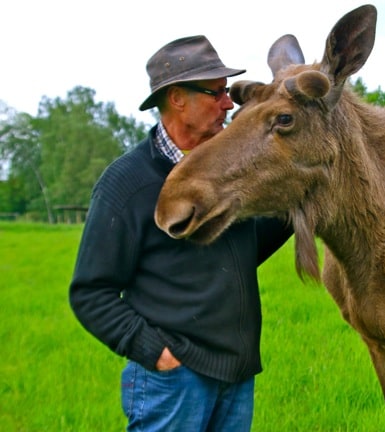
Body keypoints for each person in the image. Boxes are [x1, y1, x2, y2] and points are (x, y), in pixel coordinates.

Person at [69, 35, 292, 431]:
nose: (229, 103)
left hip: (237, 375)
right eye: (217, 93)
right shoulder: (127, 183)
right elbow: (90, 293)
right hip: (174, 379)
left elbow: (240, 252)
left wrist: (301, 197)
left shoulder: (225, 174)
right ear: (177, 99)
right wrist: (156, 353)